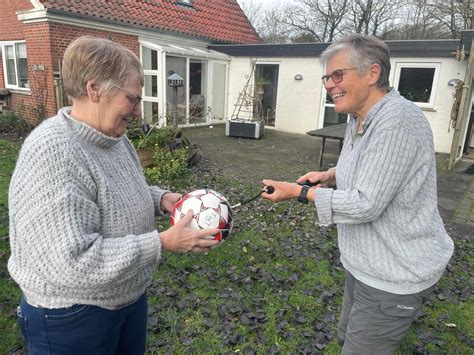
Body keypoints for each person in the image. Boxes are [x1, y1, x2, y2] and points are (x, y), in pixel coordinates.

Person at [8, 36, 220, 354]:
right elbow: (74, 262)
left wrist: (160, 198)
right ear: (94, 90)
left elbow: (110, 191)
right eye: (132, 100)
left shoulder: (111, 138)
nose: (137, 112)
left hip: (124, 297)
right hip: (73, 316)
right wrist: (162, 242)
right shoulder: (54, 153)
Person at [261, 33, 454, 354]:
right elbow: (372, 165)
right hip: (366, 265)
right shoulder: (359, 116)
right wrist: (330, 175)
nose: (329, 84)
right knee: (346, 337)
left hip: (396, 272)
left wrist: (299, 193)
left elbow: (366, 204)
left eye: (338, 75)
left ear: (373, 74)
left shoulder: (398, 122)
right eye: (327, 77)